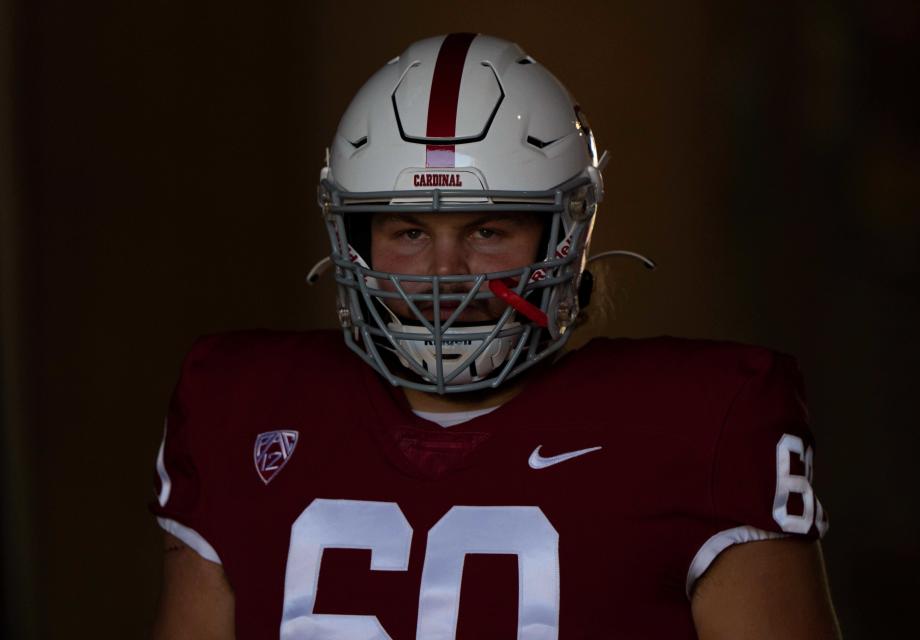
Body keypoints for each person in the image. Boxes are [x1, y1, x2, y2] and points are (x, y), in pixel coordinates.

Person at [151, 33, 842, 639]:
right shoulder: (239, 405)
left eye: (488, 230)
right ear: (353, 237)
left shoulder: (709, 422)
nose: (446, 274)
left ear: (564, 233)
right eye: (409, 232)